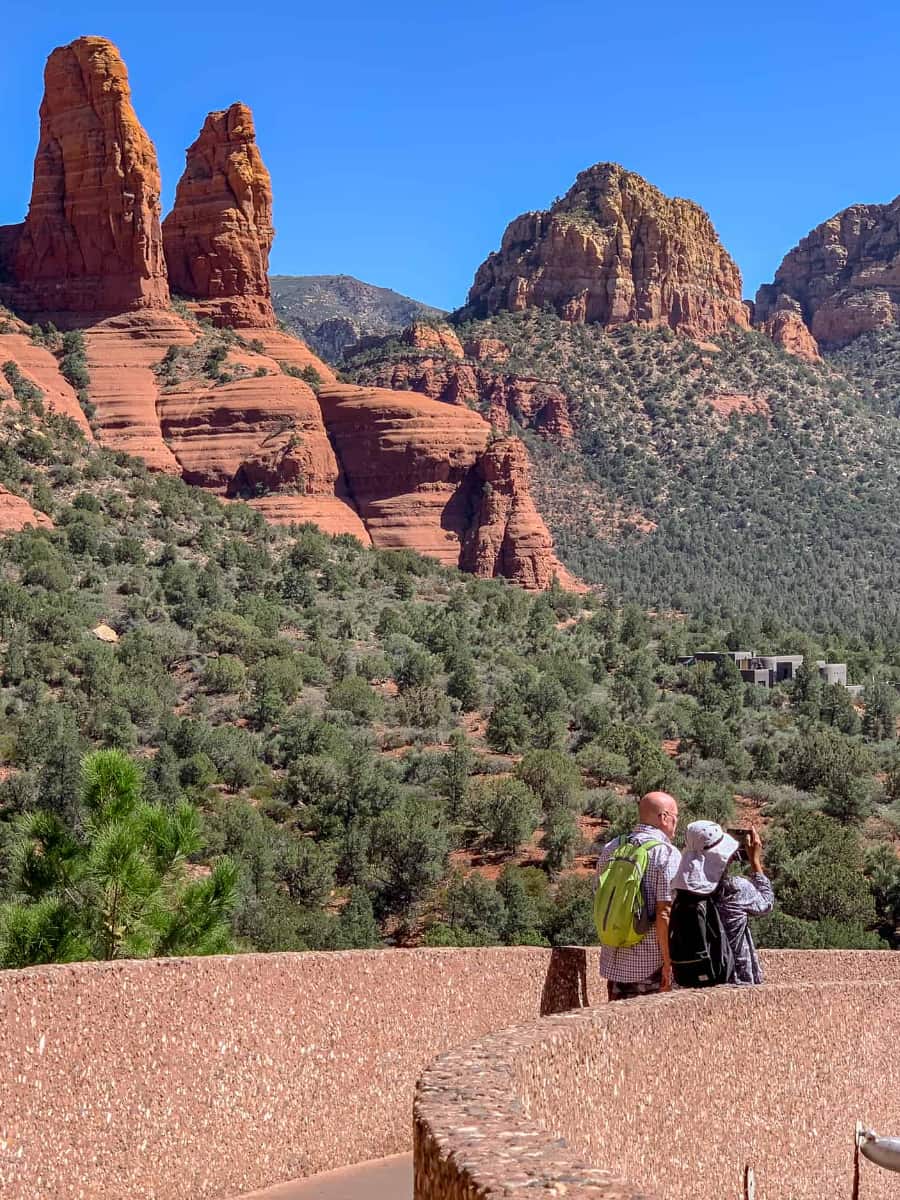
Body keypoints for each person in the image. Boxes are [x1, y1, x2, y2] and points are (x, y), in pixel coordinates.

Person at [595, 790, 681, 1001]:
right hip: (650, 964)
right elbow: (664, 914)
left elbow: (600, 897)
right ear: (663, 817)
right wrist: (669, 964)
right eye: (675, 817)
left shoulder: (612, 847)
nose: (676, 823)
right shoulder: (666, 853)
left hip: (614, 963)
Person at [672, 821, 773, 985]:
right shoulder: (735, 889)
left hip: (692, 979)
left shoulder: (680, 892)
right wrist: (755, 862)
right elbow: (766, 904)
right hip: (735, 978)